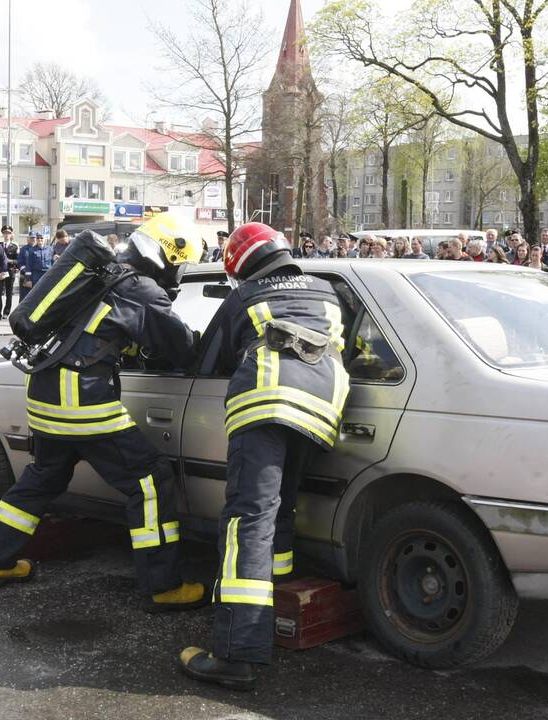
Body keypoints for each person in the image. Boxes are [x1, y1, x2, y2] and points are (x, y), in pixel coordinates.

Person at [0, 217, 207, 617]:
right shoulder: (141, 290)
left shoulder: (103, 275)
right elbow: (181, 348)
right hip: (82, 402)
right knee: (150, 480)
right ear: (169, 257)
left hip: (46, 393)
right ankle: (163, 586)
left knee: (44, 477)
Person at [179, 222, 349, 691]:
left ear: (239, 264)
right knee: (281, 508)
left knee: (247, 519)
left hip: (267, 399)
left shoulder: (244, 297)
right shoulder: (327, 290)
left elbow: (209, 357)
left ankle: (236, 652)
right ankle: (275, 604)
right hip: (322, 407)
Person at [18, 231, 51, 303]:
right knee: (25, 297)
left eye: (34, 238)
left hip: (42, 274)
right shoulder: (24, 249)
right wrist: (26, 274)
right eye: (31, 238)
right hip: (28, 275)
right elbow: (20, 263)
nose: (34, 239)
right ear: (28, 239)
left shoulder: (48, 249)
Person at [1, 226, 20, 316]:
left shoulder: (14, 246)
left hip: (10, 271)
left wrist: (10, 261)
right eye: (5, 233)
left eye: (8, 233)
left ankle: (6, 312)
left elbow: (18, 261)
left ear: (11, 234)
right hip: (0, 272)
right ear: (2, 234)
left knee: (9, 293)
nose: (6, 235)